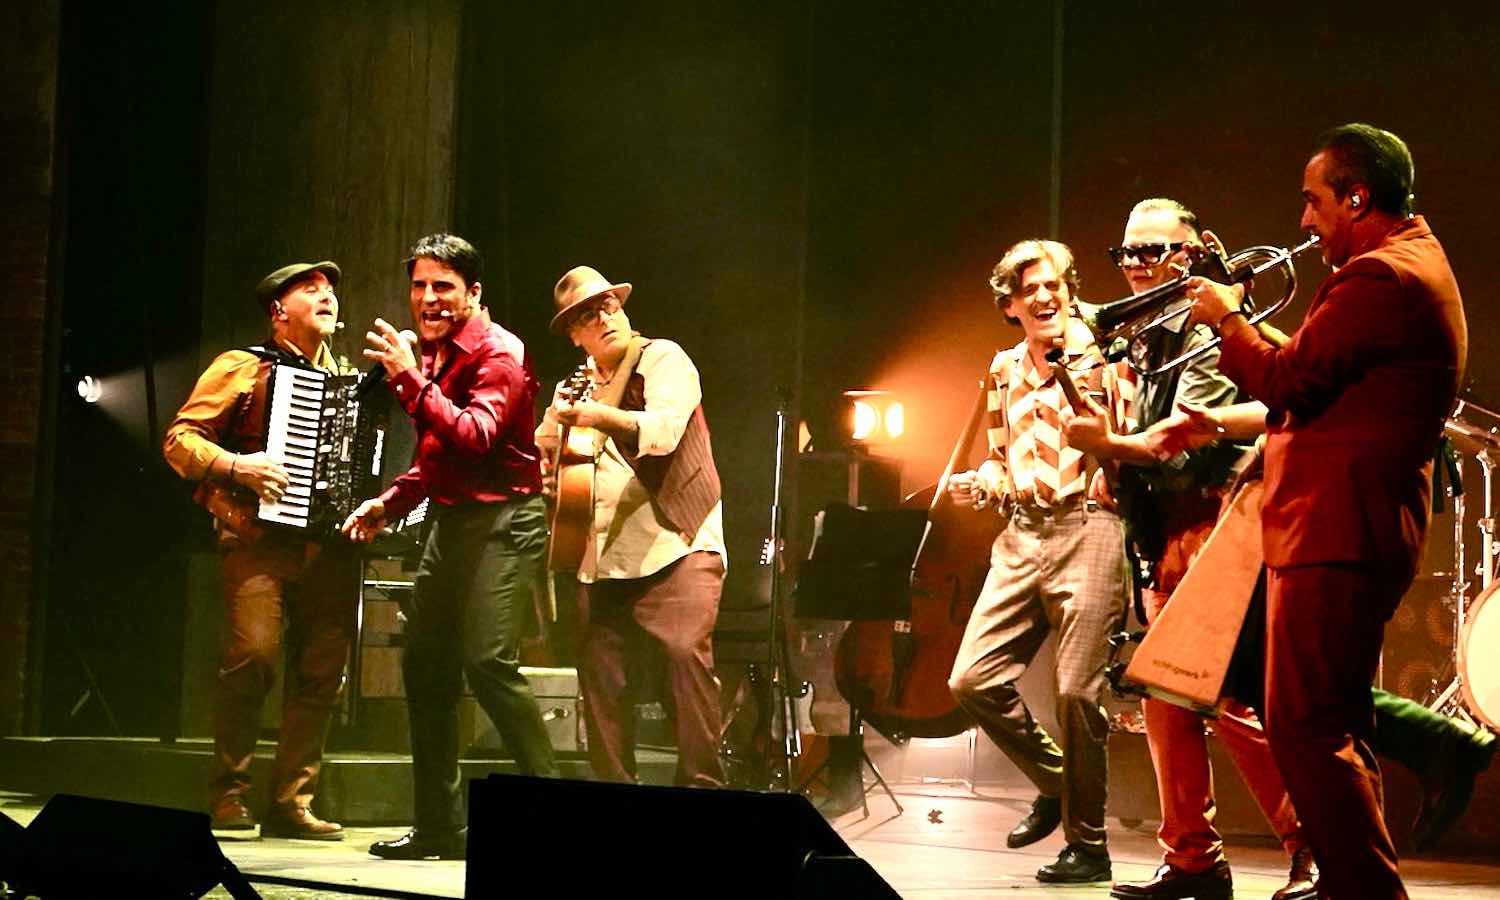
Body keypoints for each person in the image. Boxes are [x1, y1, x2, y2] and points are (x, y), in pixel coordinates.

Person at [1175, 124, 1467, 898]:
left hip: (1337, 527)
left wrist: (1226, 320)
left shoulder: (1380, 276)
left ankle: (1364, 891)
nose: (1304, 221)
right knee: (1329, 721)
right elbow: (1317, 363)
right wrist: (1242, 316)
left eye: (1314, 202)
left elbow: (1288, 383)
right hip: (1346, 525)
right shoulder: (1402, 265)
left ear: (1357, 198)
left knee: (1304, 724)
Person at [1062, 199, 1315, 900]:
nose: (1137, 266)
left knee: (1224, 700)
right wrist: (1113, 462)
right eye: (1126, 253)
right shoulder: (1146, 336)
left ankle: (1315, 843)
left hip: (1217, 522)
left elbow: (1181, 447)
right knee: (1167, 697)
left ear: (1195, 248)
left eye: (1154, 250)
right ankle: (1192, 860)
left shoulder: (1208, 329)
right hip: (1167, 531)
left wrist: (1111, 446)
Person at [342, 233, 560, 860]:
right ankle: (439, 828)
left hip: (506, 522)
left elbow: (477, 435)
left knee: (488, 662)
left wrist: (410, 380)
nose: (428, 298)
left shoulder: (498, 353)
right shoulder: (434, 356)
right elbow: (440, 456)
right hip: (453, 520)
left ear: (474, 292)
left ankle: (557, 813)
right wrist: (391, 503)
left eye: (443, 286)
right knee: (425, 665)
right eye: (419, 286)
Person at [946, 239, 1131, 884]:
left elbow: (1127, 442)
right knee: (971, 679)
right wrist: (985, 481)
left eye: (1055, 285)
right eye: (1030, 290)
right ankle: (1056, 781)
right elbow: (1002, 457)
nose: (1046, 297)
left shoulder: (1106, 353)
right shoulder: (1003, 369)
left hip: (1090, 526)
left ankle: (1089, 846)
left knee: (1077, 692)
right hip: (1022, 535)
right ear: (1010, 305)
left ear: (1071, 290)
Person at [163, 260, 356, 840]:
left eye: (330, 291)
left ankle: (293, 801)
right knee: (254, 658)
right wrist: (236, 465)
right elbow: (180, 440)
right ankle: (229, 794)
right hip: (257, 538)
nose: (326, 297)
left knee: (322, 673)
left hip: (329, 548)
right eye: (310, 289)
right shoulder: (243, 366)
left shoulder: (350, 382)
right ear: (278, 311)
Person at [536, 265, 727, 788]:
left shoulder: (661, 358)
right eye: (587, 316)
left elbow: (664, 431)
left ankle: (703, 792)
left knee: (683, 657)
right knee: (600, 680)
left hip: (677, 542)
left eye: (609, 307)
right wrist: (547, 464)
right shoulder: (572, 389)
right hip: (600, 557)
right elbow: (545, 451)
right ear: (574, 335)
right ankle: (616, 796)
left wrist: (600, 417)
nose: (604, 319)